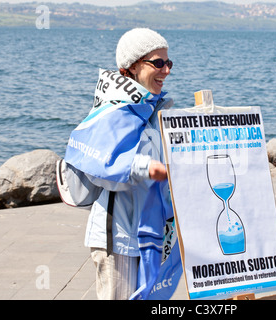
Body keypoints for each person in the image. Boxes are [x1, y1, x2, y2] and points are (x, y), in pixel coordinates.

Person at [60, 28, 180, 300]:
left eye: (168, 63)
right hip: (119, 238)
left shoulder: (156, 109)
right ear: (133, 66)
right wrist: (144, 167)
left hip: (154, 237)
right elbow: (101, 166)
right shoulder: (113, 111)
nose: (166, 70)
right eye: (158, 63)